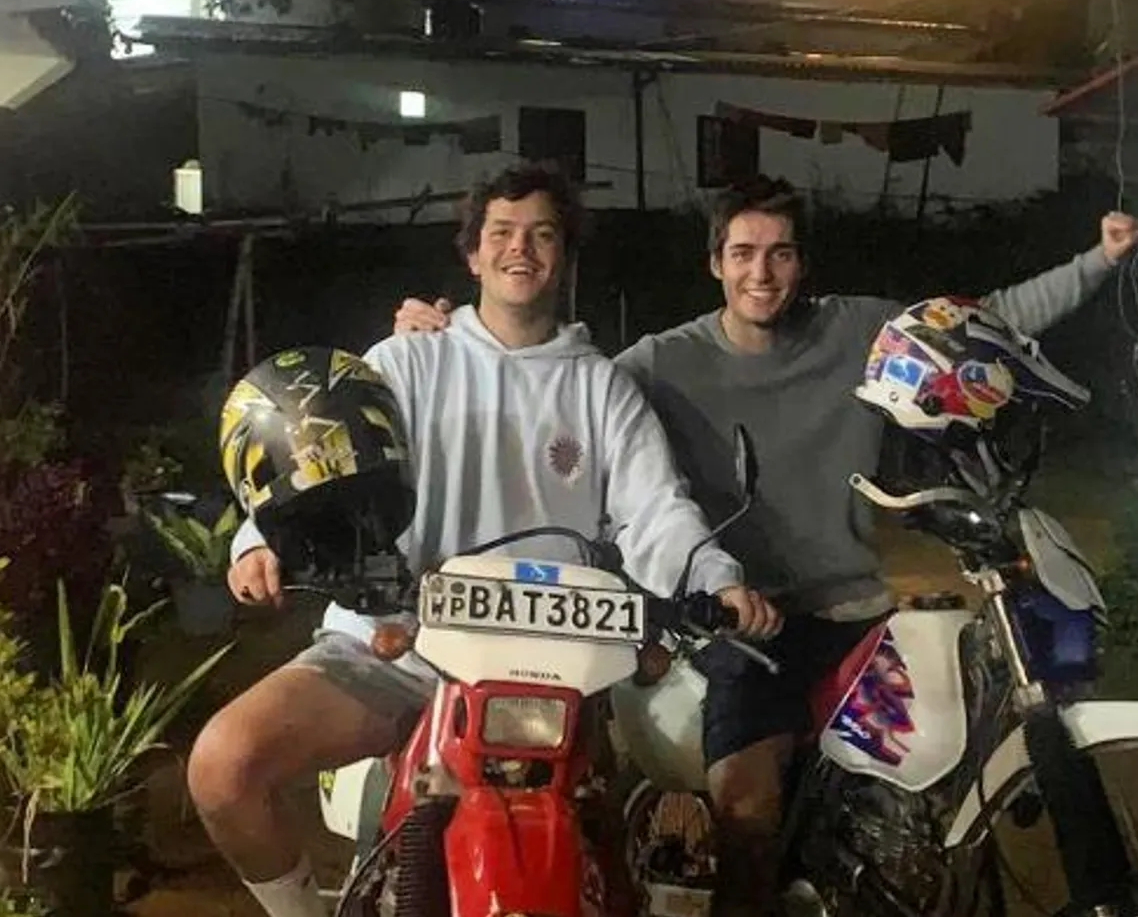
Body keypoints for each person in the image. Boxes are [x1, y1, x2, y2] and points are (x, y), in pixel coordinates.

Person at [390, 174, 1138, 916]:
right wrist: (453, 336)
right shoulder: (662, 363)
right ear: (716, 263)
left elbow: (984, 324)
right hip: (744, 625)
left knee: (940, 784)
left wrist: (1100, 261)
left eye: (780, 253)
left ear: (801, 263)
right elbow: (553, 393)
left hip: (856, 609)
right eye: (743, 253)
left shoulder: (858, 333)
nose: (761, 272)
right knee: (746, 811)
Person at [190, 164, 781, 917]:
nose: (520, 249)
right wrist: (263, 541)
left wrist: (715, 581)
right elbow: (324, 455)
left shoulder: (601, 387)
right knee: (224, 767)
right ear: (472, 254)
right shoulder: (407, 360)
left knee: (615, 856)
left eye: (542, 234)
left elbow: (655, 510)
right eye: (501, 232)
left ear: (565, 254)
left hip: (555, 672)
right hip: (403, 646)